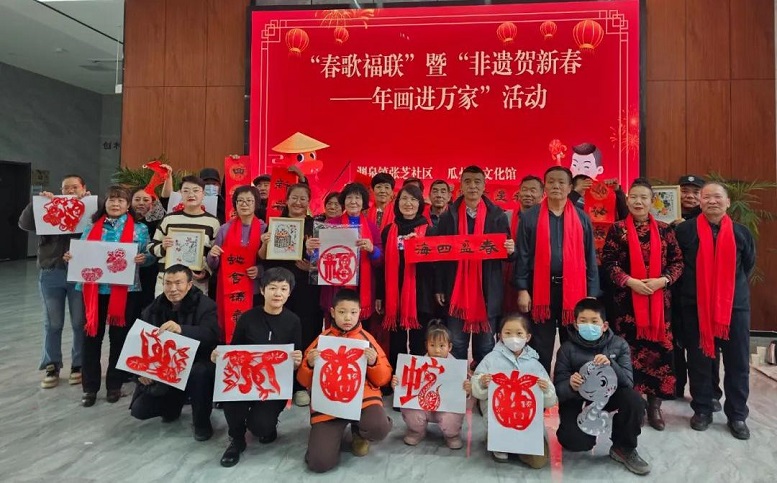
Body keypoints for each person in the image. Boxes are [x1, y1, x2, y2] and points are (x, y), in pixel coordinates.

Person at [601, 179, 684, 431]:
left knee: (661, 353)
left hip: (659, 304)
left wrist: (663, 280)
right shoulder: (617, 230)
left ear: (652, 201)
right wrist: (630, 282)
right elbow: (609, 262)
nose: (638, 202)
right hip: (626, 304)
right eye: (634, 197)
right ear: (627, 200)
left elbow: (677, 262)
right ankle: (633, 405)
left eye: (644, 197)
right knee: (628, 353)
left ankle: (654, 406)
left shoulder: (665, 230)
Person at [675, 182, 755, 440]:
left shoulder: (741, 233)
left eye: (717, 197)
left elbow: (748, 265)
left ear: (727, 202)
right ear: (700, 202)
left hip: (734, 308)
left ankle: (737, 415)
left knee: (737, 363)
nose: (712, 201)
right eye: (707, 197)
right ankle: (702, 409)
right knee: (699, 361)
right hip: (695, 307)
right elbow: (677, 265)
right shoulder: (685, 231)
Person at [64, 186, 154, 407]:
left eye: (120, 201)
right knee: (91, 338)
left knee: (119, 338)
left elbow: (150, 256)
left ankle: (114, 384)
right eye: (112, 200)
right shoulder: (92, 226)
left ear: (128, 205)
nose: (115, 204)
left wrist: (144, 259)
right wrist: (71, 258)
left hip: (125, 290)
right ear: (105, 203)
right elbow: (81, 253)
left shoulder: (140, 229)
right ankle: (90, 387)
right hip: (94, 290)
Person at [514, 166, 599, 374]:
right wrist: (522, 289)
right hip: (540, 290)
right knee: (540, 345)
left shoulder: (582, 218)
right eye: (551, 181)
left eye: (561, 182)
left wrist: (591, 293)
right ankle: (540, 386)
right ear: (545, 187)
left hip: (574, 291)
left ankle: (567, 387)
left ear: (570, 187)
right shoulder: (531, 217)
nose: (556, 186)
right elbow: (523, 255)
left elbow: (590, 257)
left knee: (573, 345)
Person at [298, 289, 393, 473]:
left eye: (353, 312)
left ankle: (359, 432)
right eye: (342, 312)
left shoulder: (366, 339)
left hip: (362, 400)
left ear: (360, 313)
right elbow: (303, 381)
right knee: (319, 463)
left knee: (378, 427)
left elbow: (383, 379)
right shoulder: (322, 340)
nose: (348, 317)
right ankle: (331, 435)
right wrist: (308, 364)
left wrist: (374, 362)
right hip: (329, 405)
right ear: (333, 312)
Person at [217, 267, 304, 467]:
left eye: (283, 289)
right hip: (246, 378)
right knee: (231, 399)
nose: (278, 293)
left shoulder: (293, 321)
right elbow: (234, 351)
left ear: (289, 293)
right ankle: (236, 440)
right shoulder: (247, 318)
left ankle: (267, 423)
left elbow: (295, 356)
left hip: (273, 385)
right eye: (272, 288)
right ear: (263, 290)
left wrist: (296, 361)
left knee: (261, 427)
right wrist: (219, 356)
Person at [554, 298, 650, 476]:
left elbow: (627, 383)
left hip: (609, 395)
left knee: (635, 401)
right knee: (577, 443)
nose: (588, 326)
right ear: (575, 325)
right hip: (579, 399)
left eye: (594, 321)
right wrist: (570, 384)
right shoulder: (566, 349)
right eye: (583, 321)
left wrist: (611, 365)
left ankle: (624, 447)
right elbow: (558, 390)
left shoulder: (619, 345)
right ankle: (571, 430)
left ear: (604, 325)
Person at [432, 165, 515, 366]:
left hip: (487, 290)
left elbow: (507, 255)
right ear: (460, 186)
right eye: (467, 181)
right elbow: (440, 256)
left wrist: (511, 250)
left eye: (477, 182)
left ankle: (482, 383)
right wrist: (439, 287)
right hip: (456, 289)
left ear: (484, 186)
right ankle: (458, 382)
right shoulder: (448, 216)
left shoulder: (497, 215)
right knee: (456, 343)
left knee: (485, 346)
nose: (472, 186)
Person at [129, 264, 219, 441]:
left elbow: (211, 336)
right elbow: (139, 343)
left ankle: (201, 423)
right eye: (168, 283)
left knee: (199, 372)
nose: (173, 289)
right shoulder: (154, 308)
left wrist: (182, 330)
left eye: (178, 283)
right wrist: (141, 371)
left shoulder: (206, 305)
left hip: (197, 363)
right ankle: (173, 406)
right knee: (140, 410)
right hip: (166, 366)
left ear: (190, 284)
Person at [18, 174, 89, 388]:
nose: (70, 191)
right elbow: (24, 223)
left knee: (79, 322)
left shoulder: (89, 206)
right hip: (51, 271)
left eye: (74, 187)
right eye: (66, 188)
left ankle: (79, 364)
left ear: (83, 188)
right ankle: (52, 365)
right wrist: (38, 203)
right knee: (53, 322)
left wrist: (89, 201)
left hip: (79, 273)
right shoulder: (49, 206)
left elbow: (106, 215)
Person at [258, 184, 321, 407]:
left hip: (306, 288)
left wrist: (311, 266)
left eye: (303, 198)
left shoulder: (316, 226)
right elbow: (262, 257)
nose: (298, 202)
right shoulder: (276, 223)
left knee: (307, 330)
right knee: (279, 330)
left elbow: (324, 260)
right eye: (294, 198)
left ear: (309, 202)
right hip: (278, 287)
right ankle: (278, 382)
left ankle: (301, 384)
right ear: (286, 200)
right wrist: (265, 243)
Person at [472, 314, 556, 465]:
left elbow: (550, 400)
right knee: (501, 450)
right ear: (500, 336)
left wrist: (545, 390)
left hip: (526, 422)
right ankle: (495, 439)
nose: (513, 338)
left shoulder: (535, 364)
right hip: (499, 418)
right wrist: (482, 383)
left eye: (519, 333)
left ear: (528, 337)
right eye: (508, 333)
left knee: (539, 462)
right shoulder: (491, 359)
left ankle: (520, 446)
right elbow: (476, 386)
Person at [672, 174, 722, 405]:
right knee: (675, 342)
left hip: (703, 295)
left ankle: (710, 392)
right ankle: (675, 386)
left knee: (706, 344)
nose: (689, 196)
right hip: (673, 291)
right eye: (685, 191)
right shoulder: (663, 218)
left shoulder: (713, 222)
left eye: (695, 192)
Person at [306, 182, 383, 325]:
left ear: (363, 202)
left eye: (357, 198)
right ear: (344, 201)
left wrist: (372, 249)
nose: (353, 201)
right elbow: (317, 258)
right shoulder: (331, 225)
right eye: (349, 197)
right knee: (335, 327)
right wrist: (310, 250)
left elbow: (380, 261)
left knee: (361, 329)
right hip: (335, 286)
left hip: (362, 287)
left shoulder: (372, 227)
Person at [375, 185, 433, 371]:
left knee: (418, 341)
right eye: (404, 199)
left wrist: (419, 246)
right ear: (397, 202)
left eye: (413, 199)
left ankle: (417, 378)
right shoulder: (388, 230)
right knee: (396, 341)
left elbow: (435, 266)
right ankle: (397, 378)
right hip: (394, 293)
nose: (408, 203)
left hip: (420, 292)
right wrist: (380, 295)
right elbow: (382, 265)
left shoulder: (429, 230)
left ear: (420, 204)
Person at [391, 322, 472, 449]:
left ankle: (452, 435)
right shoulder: (416, 365)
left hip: (446, 408)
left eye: (442, 345)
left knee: (451, 417)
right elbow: (405, 390)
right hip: (422, 406)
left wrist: (467, 391)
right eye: (432, 345)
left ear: (449, 347)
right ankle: (416, 431)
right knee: (411, 409)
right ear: (426, 345)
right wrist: (397, 384)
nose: (437, 350)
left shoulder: (457, 368)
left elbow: (463, 397)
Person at [207, 186, 265, 342]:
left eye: (249, 201)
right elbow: (213, 264)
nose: (244, 204)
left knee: (253, 332)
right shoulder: (225, 229)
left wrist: (260, 270)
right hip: (229, 288)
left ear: (256, 203)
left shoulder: (264, 229)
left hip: (254, 290)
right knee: (230, 328)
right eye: (240, 201)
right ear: (235, 204)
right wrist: (213, 255)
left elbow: (270, 261)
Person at [148, 175, 222, 296]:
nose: (191, 194)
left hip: (196, 282)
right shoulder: (169, 219)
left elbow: (215, 254)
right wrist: (163, 247)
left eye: (196, 190)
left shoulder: (213, 222)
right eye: (186, 191)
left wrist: (206, 273)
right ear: (180, 194)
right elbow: (151, 246)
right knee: (164, 309)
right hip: (167, 280)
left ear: (203, 194)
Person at [504, 175, 544, 314]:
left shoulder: (547, 219)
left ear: (542, 195)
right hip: (508, 275)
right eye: (524, 190)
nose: (528, 194)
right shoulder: (506, 217)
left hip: (536, 278)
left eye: (533, 190)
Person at [131, 187, 167, 309]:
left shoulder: (159, 221)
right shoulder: (124, 221)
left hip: (151, 270)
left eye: (146, 200)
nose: (141, 203)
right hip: (129, 269)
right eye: (137, 199)